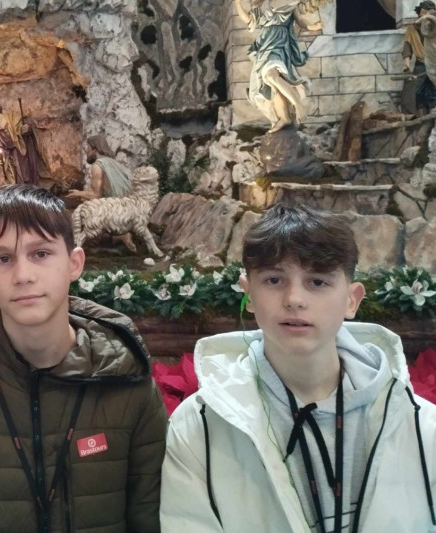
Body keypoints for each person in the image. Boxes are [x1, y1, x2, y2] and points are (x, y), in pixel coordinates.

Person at [0, 184, 167, 532]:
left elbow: (154, 517)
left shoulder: (129, 387)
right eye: (3, 259)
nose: (23, 275)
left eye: (41, 253)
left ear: (75, 263)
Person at [161, 205, 436, 532]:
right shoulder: (199, 426)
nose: (294, 298)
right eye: (274, 280)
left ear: (352, 300)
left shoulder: (421, 426)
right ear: (249, 295)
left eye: (317, 282)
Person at [234, 0, 322, 133]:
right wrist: (238, 2)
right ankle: (284, 118)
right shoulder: (265, 1)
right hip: (265, 44)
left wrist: (313, 27)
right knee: (271, 85)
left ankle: (298, 104)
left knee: (270, 76)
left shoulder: (290, 0)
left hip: (280, 43)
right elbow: (249, 19)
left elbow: (300, 21)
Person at [0, 104, 43, 186]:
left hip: (20, 150)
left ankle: (28, 189)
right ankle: (18, 189)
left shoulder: (12, 119)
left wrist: (23, 130)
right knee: (13, 176)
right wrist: (1, 156)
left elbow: (21, 129)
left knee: (25, 174)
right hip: (9, 155)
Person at [66, 135, 131, 201]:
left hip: (112, 204)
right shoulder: (114, 162)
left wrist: (78, 193)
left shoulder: (98, 166)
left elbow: (96, 195)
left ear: (95, 150)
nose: (86, 151)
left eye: (88, 147)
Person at [402, 0, 436, 113]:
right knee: (418, 91)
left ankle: (433, 114)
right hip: (421, 65)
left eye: (430, 12)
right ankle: (420, 116)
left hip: (433, 64)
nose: (426, 15)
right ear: (419, 13)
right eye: (424, 12)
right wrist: (406, 65)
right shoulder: (412, 30)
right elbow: (407, 47)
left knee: (433, 91)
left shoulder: (434, 27)